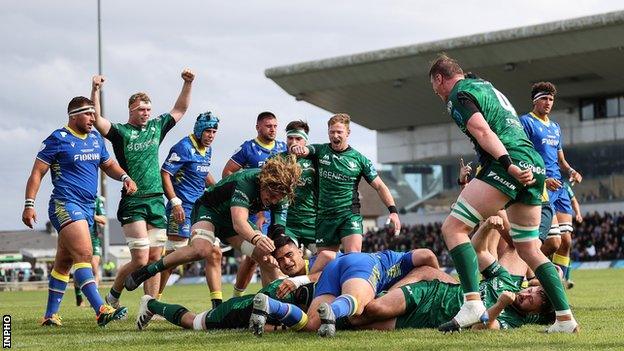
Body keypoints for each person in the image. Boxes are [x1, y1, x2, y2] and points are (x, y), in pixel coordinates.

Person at [428, 54, 577, 333]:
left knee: (453, 228)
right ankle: (566, 319)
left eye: (434, 86)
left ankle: (472, 302)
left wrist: (507, 164)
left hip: (508, 162)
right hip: (535, 164)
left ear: (439, 78)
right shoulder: (484, 85)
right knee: (529, 248)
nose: (436, 93)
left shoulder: (458, 94)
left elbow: (483, 132)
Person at [125, 156, 301, 327]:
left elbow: (278, 230)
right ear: (264, 183)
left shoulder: (281, 192)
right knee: (201, 250)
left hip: (231, 221)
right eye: (270, 195)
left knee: (266, 258)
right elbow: (239, 222)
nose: (272, 201)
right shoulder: (248, 181)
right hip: (210, 210)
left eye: (277, 199)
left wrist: (273, 248)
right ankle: (149, 270)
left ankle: (272, 309)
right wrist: (256, 237)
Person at [22, 94, 136, 327]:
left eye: (94, 113)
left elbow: (109, 164)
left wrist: (124, 176)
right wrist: (29, 204)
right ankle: (100, 309)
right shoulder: (58, 139)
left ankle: (50, 315)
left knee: (63, 263)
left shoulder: (95, 138)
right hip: (65, 204)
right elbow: (37, 173)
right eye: (88, 113)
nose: (93, 118)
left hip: (86, 206)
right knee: (85, 255)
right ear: (74, 116)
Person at [90, 70, 195, 308]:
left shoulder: (157, 126)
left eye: (148, 109)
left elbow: (180, 110)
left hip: (157, 200)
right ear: (131, 110)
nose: (146, 113)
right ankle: (113, 295)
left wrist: (188, 83)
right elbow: (97, 120)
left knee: (156, 259)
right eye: (141, 110)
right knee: (140, 259)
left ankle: (150, 306)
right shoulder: (120, 132)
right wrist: (95, 91)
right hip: (133, 201)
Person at [348, 216, 554, 331]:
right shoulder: (507, 280)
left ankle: (330, 314)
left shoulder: (513, 320)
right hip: (432, 294)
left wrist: (500, 305)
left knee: (357, 324)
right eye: (531, 291)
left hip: (428, 319)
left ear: (534, 313)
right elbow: (478, 251)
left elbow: (480, 329)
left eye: (530, 300)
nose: (526, 295)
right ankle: (347, 296)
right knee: (373, 308)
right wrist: (486, 226)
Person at [249, 237, 440, 337]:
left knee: (312, 325)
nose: (287, 262)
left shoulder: (396, 258)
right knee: (357, 305)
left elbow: (328, 258)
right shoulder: (399, 260)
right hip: (362, 264)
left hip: (335, 271)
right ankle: (334, 310)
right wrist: (436, 276)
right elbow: (427, 254)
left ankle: (271, 305)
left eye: (289, 256)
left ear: (299, 251)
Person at [289, 113, 401, 253]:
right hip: (325, 217)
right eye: (331, 132)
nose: (335, 135)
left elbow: (380, 186)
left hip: (348, 215)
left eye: (339, 132)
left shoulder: (360, 160)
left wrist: (393, 212)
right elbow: (306, 150)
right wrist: (298, 148)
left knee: (353, 258)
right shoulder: (320, 150)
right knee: (326, 263)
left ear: (348, 133)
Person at [519, 82, 583, 279]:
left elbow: (560, 160)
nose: (548, 103)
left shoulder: (555, 127)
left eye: (551, 99)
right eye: (544, 99)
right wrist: (543, 179)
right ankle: (525, 274)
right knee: (551, 243)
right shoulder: (525, 122)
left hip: (560, 187)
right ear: (535, 100)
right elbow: (522, 156)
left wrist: (572, 171)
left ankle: (560, 286)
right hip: (541, 187)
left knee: (566, 242)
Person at [158, 112, 221, 307]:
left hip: (200, 210)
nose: (211, 135)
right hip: (182, 209)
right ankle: (152, 300)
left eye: (214, 132)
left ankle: (217, 303)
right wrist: (175, 202)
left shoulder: (207, 150)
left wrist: (219, 189)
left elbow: (204, 172)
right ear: (199, 130)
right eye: (208, 131)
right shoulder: (183, 147)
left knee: (215, 253)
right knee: (173, 260)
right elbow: (165, 173)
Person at [222, 111, 287, 296]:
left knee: (268, 255)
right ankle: (240, 297)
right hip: (253, 211)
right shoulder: (247, 148)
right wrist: (243, 198)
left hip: (275, 210)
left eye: (275, 126)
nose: (272, 129)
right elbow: (227, 172)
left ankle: (268, 299)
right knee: (257, 256)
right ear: (258, 127)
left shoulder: (283, 148)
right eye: (268, 126)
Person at [278, 120, 317, 249]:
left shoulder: (316, 161)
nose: (293, 142)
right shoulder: (276, 161)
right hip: (287, 223)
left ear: (305, 141)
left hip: (311, 221)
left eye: (298, 138)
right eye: (290, 138)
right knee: (286, 260)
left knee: (328, 261)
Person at [74, 195, 107, 306]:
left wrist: (92, 216)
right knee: (80, 267)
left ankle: (93, 296)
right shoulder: (75, 197)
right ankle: (79, 296)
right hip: (78, 236)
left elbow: (104, 220)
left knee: (94, 268)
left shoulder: (97, 200)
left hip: (94, 238)